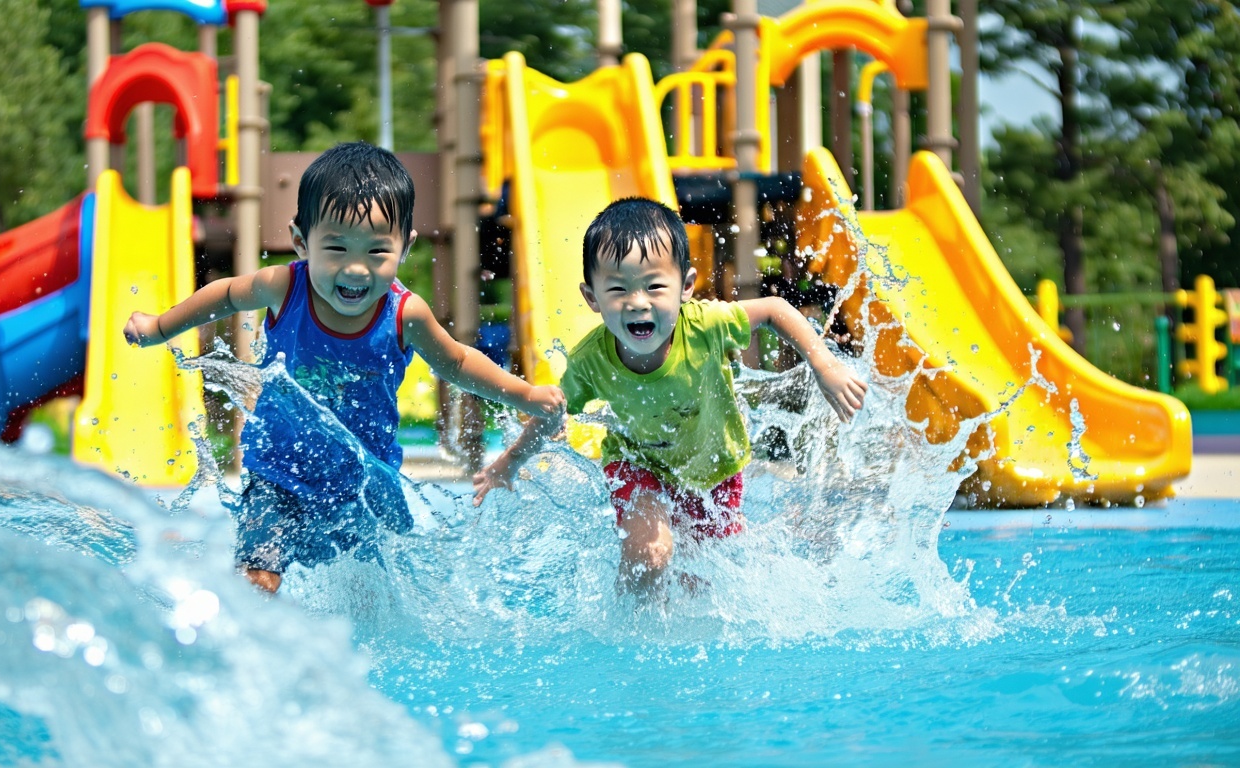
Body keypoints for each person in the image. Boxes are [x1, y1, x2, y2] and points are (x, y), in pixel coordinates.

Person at [125, 142, 564, 593]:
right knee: (257, 579)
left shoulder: (404, 314)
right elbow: (226, 295)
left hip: (367, 481)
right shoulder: (284, 287)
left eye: (376, 252)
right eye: (335, 247)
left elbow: (455, 361)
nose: (355, 269)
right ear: (301, 242)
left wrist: (524, 394)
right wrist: (160, 326)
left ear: (405, 247)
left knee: (377, 596)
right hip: (281, 474)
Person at [473, 197, 867, 594]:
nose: (638, 302)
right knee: (651, 554)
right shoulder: (591, 361)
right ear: (592, 297)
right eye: (617, 289)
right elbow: (551, 413)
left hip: (714, 469)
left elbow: (775, 308)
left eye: (654, 286)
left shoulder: (706, 326)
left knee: (704, 582)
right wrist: (510, 459)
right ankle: (631, 630)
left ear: (687, 287)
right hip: (637, 464)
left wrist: (824, 365)